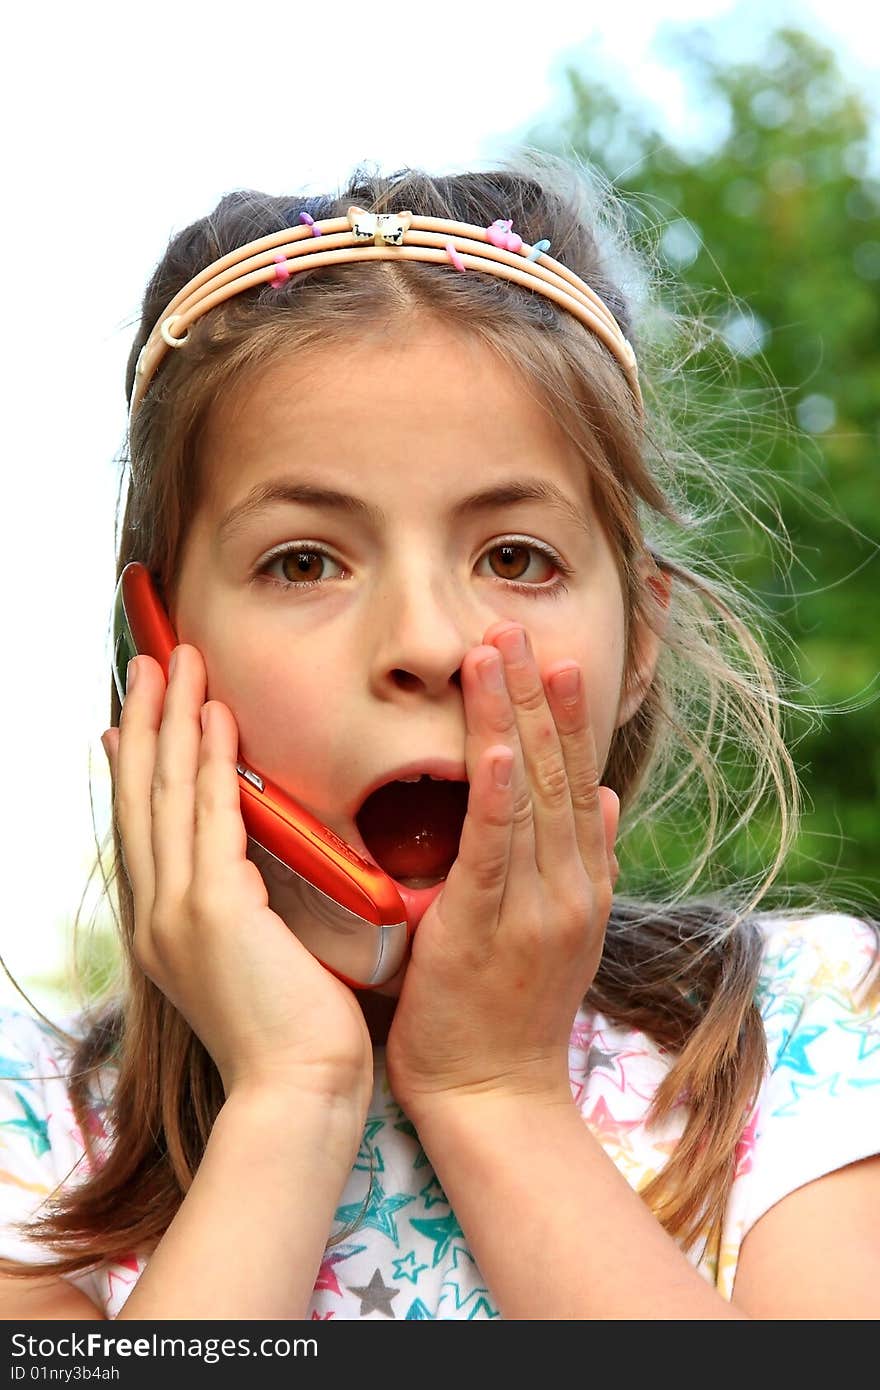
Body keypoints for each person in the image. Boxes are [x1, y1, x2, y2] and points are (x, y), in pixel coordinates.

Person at [0, 155, 878, 1322]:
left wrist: (496, 1094)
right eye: (304, 561)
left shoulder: (801, 1028)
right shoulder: (36, 1129)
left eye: (514, 556)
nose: (423, 640)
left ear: (639, 643)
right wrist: (290, 1101)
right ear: (161, 652)